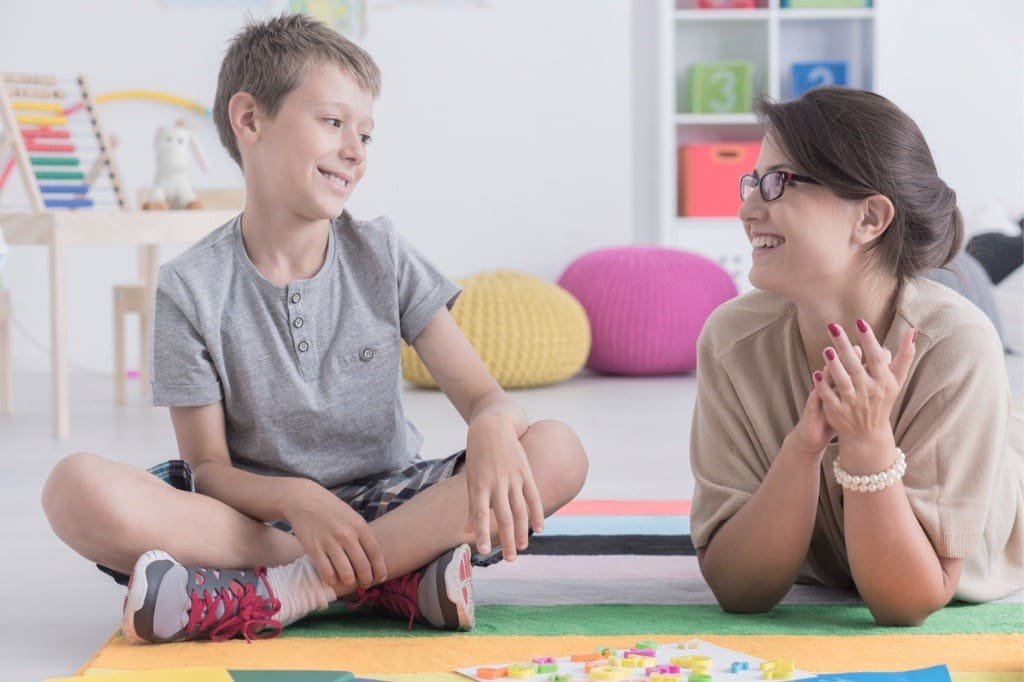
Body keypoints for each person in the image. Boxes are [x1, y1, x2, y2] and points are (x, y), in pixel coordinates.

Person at [41, 13, 588, 644]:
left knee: (555, 449)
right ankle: (395, 580)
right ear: (250, 121)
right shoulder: (190, 287)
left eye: (365, 133)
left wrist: (493, 424)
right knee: (73, 488)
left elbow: (484, 396)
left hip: (392, 501)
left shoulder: (382, 253)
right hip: (256, 522)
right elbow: (209, 468)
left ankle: (289, 591)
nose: (355, 149)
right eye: (333, 123)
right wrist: (295, 499)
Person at [689, 86, 1022, 626]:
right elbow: (739, 590)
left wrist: (868, 444)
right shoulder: (731, 341)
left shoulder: (957, 345)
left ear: (869, 218)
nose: (747, 209)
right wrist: (802, 448)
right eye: (751, 183)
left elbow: (907, 601)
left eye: (776, 184)